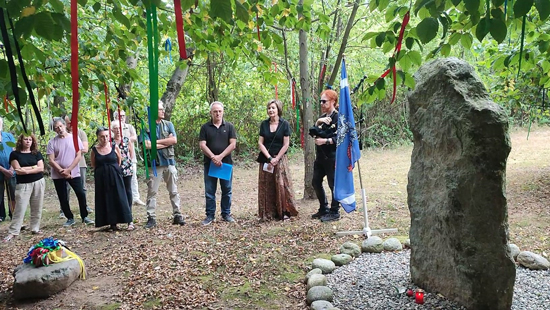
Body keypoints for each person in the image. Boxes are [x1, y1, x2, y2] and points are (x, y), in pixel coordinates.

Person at [143, 100, 185, 228]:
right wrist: (165, 143)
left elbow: (174, 140)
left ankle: (177, 214)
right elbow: (147, 145)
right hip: (154, 164)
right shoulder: (146, 127)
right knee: (152, 191)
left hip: (169, 161)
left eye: (163, 109)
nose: (163, 111)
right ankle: (151, 217)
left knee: (173, 190)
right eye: (160, 109)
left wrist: (156, 143)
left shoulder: (168, 124)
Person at [47, 117, 94, 227]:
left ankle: (85, 216)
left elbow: (78, 155)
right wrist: (61, 170)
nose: (59, 129)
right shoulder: (52, 142)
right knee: (63, 196)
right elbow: (51, 160)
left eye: (60, 126)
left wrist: (69, 170)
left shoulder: (74, 138)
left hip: (73, 172)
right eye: (56, 128)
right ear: (54, 130)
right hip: (58, 174)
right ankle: (69, 218)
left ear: (64, 125)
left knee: (81, 193)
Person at [257, 99, 298, 221]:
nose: (271, 110)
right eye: (269, 108)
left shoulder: (284, 124)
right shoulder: (264, 124)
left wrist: (276, 158)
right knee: (266, 185)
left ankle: (284, 211)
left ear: (278, 109)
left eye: (273, 108)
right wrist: (269, 158)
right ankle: (267, 212)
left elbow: (286, 144)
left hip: (280, 159)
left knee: (281, 184)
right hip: (266, 159)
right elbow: (260, 142)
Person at [199, 101, 237, 225]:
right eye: (215, 111)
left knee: (227, 189)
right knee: (210, 190)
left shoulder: (229, 126)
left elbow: (233, 144)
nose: (217, 114)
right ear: (211, 113)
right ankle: (210, 215)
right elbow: (202, 145)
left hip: (225, 163)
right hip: (210, 164)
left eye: (220, 111)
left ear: (223, 112)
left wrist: (220, 157)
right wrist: (213, 157)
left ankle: (226, 213)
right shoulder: (205, 127)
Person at [3, 134, 45, 241]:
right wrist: (33, 167)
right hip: (23, 185)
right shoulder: (14, 154)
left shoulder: (36, 153)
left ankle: (35, 228)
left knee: (37, 206)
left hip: (38, 182)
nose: (28, 141)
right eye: (25, 139)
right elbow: (18, 170)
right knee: (20, 208)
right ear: (21, 141)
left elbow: (41, 168)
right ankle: (13, 231)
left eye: (30, 139)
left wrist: (26, 170)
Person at [91, 127, 133, 231]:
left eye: (106, 136)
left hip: (115, 175)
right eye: (102, 137)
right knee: (106, 198)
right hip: (101, 177)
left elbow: (119, 160)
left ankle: (128, 220)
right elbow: (93, 164)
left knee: (120, 196)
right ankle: (111, 223)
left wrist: (114, 170)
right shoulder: (94, 150)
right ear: (98, 137)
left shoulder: (114, 147)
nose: (104, 139)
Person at [311, 89, 341, 222]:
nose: (322, 104)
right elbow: (312, 132)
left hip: (332, 156)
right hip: (321, 157)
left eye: (324, 101)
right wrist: (318, 122)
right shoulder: (323, 117)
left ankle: (335, 211)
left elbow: (341, 137)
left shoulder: (339, 117)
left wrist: (326, 140)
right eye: (320, 101)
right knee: (316, 181)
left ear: (333, 101)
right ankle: (324, 208)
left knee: (333, 184)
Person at [113, 109, 145, 206]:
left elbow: (134, 137)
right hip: (117, 160)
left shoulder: (129, 127)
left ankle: (136, 198)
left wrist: (125, 139)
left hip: (129, 158)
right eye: (119, 116)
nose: (121, 117)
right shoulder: (113, 126)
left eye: (123, 115)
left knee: (133, 178)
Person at [64, 114, 93, 216]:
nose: (71, 125)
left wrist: (71, 148)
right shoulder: (62, 133)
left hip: (80, 163)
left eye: (73, 123)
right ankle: (64, 209)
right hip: (65, 165)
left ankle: (84, 206)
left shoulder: (81, 133)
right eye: (68, 123)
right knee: (66, 187)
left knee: (82, 186)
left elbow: (85, 149)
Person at [111, 120, 135, 229]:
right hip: (114, 170)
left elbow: (131, 154)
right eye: (115, 128)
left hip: (126, 169)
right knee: (115, 193)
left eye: (119, 128)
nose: (118, 130)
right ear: (112, 130)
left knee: (128, 191)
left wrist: (127, 164)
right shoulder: (110, 142)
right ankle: (115, 220)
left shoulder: (126, 140)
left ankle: (129, 219)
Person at [0, 117, 15, 222]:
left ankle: (13, 213)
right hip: (0, 170)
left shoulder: (9, 136)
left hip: (11, 169)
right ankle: (1, 215)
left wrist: (12, 168)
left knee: (13, 193)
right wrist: (3, 170)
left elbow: (15, 152)